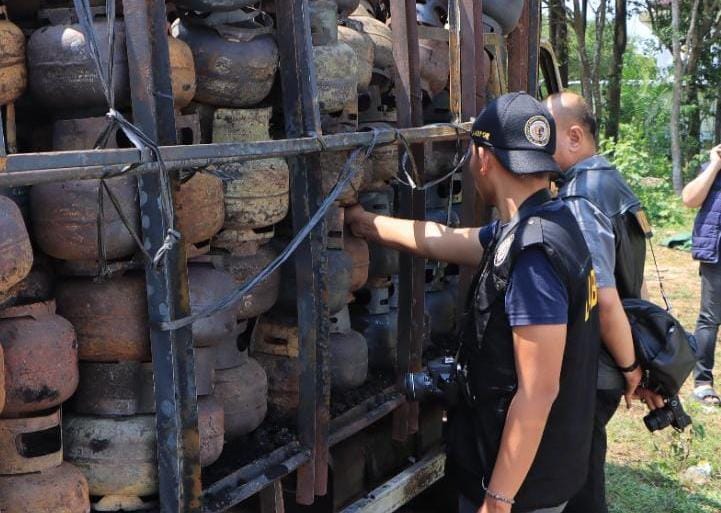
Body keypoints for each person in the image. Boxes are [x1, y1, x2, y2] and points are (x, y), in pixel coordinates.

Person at [346, 92, 599, 513]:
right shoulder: (548, 222)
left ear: (484, 159)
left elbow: (538, 393)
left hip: (522, 489)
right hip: (543, 468)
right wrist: (363, 222)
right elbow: (443, 240)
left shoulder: (533, 255)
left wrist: (497, 501)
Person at [545, 92, 664, 513]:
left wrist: (632, 368)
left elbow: (607, 297)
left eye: (546, 132)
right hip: (613, 357)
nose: (536, 142)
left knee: (580, 480)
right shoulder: (612, 180)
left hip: (597, 363)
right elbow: (639, 285)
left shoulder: (581, 196)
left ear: (574, 136)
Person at [682, 144, 721, 406]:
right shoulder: (713, 169)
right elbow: (689, 198)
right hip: (717, 255)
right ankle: (703, 383)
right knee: (710, 317)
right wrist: (715, 164)